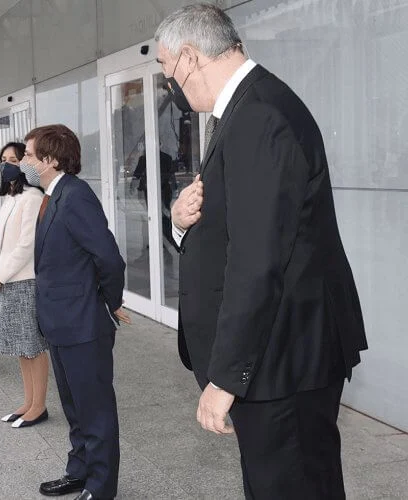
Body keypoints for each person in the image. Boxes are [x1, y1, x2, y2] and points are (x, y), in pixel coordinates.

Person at [156, 5, 368, 499]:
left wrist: (228, 377)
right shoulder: (246, 108)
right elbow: (237, 229)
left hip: (280, 361)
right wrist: (180, 224)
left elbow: (258, 260)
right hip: (275, 356)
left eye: (167, 71)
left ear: (189, 57)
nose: (172, 85)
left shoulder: (260, 116)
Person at [23, 124, 129, 500]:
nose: (25, 162)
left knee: (95, 410)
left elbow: (109, 258)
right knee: (74, 407)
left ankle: (101, 488)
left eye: (30, 156)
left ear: (50, 160)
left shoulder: (75, 196)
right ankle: (80, 471)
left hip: (83, 324)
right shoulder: (54, 195)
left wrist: (110, 302)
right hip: (61, 324)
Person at [0, 142, 49, 428]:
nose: (6, 164)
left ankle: (40, 405)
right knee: (22, 347)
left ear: (25, 163)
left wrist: (1, 275)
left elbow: (26, 245)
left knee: (33, 346)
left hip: (24, 281)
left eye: (13, 159)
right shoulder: (9, 198)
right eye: (3, 159)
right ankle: (28, 401)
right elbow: (0, 240)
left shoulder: (33, 197)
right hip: (5, 279)